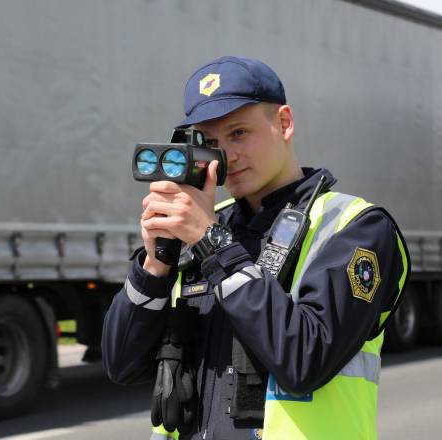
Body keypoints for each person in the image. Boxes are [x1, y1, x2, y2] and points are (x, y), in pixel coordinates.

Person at [103, 56, 410, 440]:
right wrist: (155, 263)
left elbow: (304, 362)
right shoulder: (205, 225)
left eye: (238, 133)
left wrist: (213, 243)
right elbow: (121, 366)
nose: (226, 157)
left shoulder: (354, 226)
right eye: (210, 142)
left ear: (284, 123)